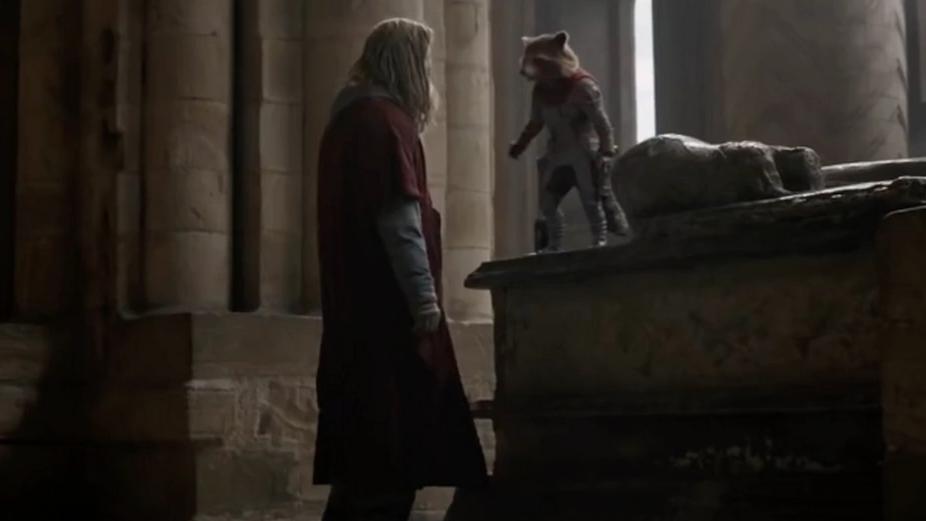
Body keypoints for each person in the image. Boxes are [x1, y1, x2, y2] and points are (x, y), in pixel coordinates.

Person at [314, 18, 488, 521]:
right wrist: (425, 303)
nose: (428, 74)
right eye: (424, 63)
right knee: (391, 457)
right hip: (389, 319)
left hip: (356, 318)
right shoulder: (384, 122)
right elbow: (400, 221)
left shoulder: (347, 121)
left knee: (362, 465)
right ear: (407, 64)